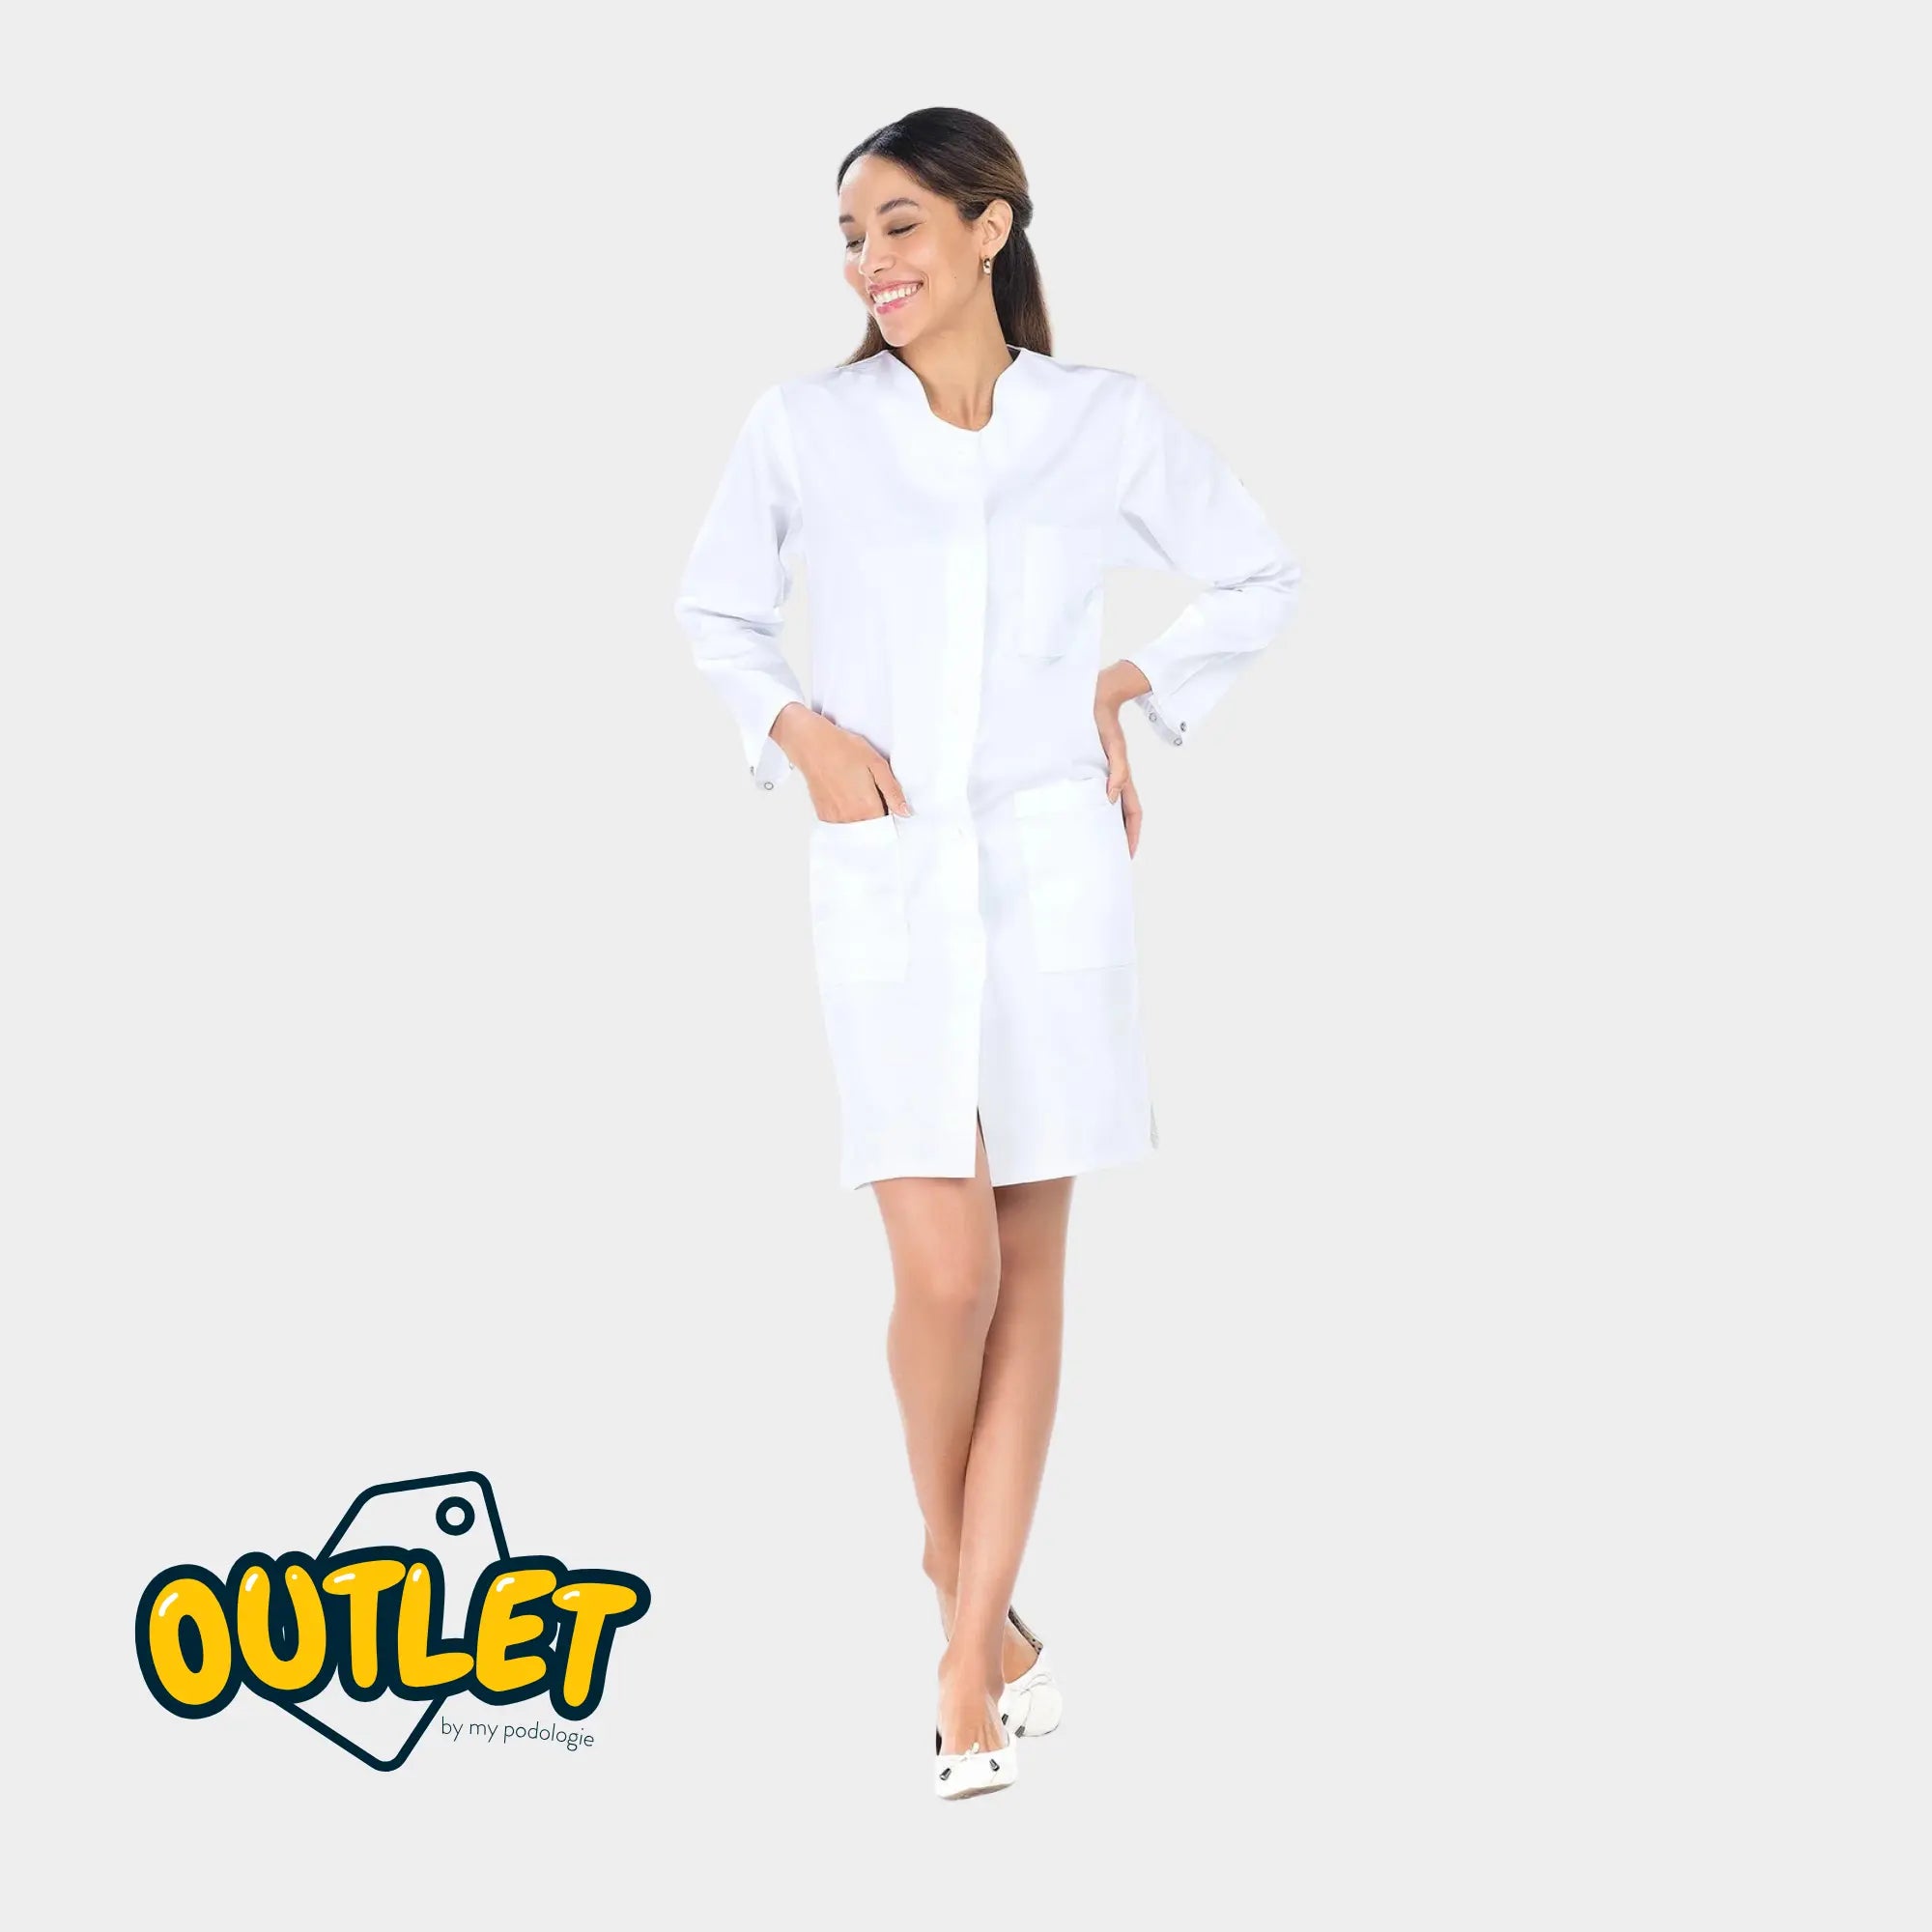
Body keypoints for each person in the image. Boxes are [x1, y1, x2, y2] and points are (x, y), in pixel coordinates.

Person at [673, 106, 1300, 1799]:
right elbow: (716, 610)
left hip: (1053, 873)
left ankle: (965, 1672)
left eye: (899, 226)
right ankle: (968, 1582)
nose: (871, 263)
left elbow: (1259, 572)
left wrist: (1132, 686)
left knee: (1029, 1269)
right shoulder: (808, 429)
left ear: (991, 226)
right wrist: (800, 732)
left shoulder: (1102, 422)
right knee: (942, 1277)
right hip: (889, 872)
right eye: (850, 239)